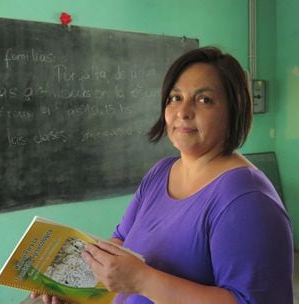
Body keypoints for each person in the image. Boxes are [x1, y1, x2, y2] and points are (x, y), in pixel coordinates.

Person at [32, 46, 294, 304]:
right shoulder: (161, 173)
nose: (183, 112)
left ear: (233, 110)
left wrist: (144, 281)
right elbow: (121, 241)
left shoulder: (247, 200)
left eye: (204, 100)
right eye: (175, 98)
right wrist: (71, 284)